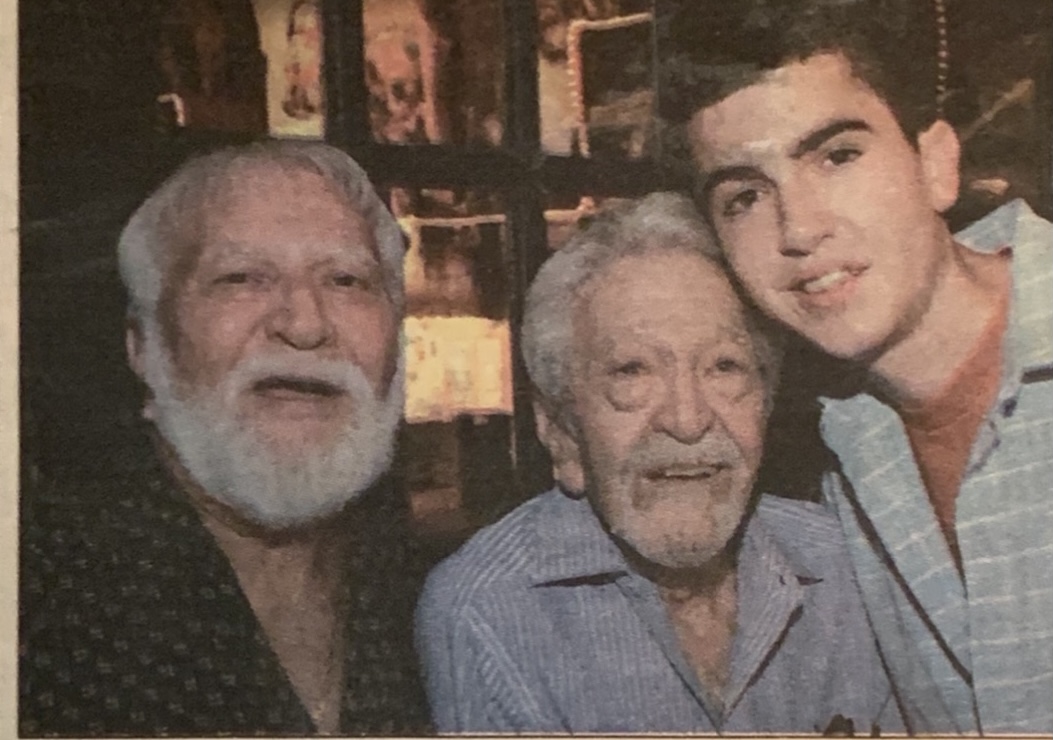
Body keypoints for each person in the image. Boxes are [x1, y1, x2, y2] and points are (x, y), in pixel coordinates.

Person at [659, 0, 1053, 733]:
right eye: (744, 196)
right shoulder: (834, 443)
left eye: (836, 156)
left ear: (935, 164)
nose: (798, 228)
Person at [415, 193, 900, 733]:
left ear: (765, 401)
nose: (688, 421)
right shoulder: (490, 608)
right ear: (559, 432)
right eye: (632, 372)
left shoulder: (851, 565)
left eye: (724, 367)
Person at [19, 141, 431, 735]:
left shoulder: (441, 598)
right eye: (241, 279)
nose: (305, 325)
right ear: (144, 344)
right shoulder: (39, 600)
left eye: (346, 280)